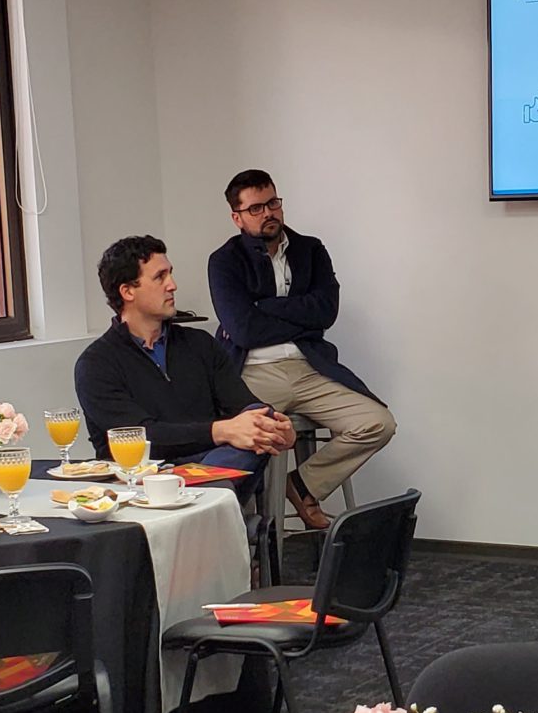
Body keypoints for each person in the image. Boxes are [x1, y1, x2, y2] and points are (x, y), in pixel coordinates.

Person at [206, 170, 395, 529]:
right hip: (254, 373)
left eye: (273, 203)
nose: (269, 213)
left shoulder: (311, 249)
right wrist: (298, 313)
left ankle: (303, 485)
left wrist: (265, 305)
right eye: (256, 208)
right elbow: (243, 329)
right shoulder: (224, 260)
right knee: (248, 441)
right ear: (237, 217)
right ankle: (251, 544)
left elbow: (326, 312)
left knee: (378, 423)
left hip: (310, 368)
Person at [76, 236, 294, 473]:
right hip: (143, 477)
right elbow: (139, 437)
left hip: (216, 458)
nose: (172, 285)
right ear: (128, 291)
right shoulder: (96, 364)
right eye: (160, 277)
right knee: (234, 453)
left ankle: (201, 490)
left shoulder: (200, 343)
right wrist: (221, 431)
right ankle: (201, 491)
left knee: (249, 445)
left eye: (170, 274)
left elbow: (243, 404)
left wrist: (274, 424)